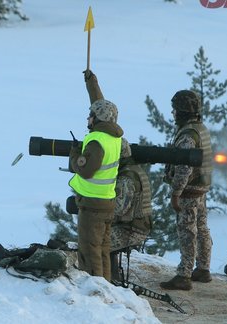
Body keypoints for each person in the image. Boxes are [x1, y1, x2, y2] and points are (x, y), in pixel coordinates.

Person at [68, 70, 124, 281]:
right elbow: (100, 103)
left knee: (89, 250)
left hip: (92, 204)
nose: (87, 118)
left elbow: (85, 169)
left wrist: (75, 153)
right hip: (106, 201)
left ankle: (94, 291)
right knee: (102, 250)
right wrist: (92, 83)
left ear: (97, 118)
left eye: (90, 115)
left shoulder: (96, 141)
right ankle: (105, 285)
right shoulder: (114, 137)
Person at [160, 90, 213, 291]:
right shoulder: (201, 129)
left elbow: (183, 167)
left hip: (189, 192)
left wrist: (176, 192)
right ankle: (203, 269)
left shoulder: (188, 134)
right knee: (202, 229)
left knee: (187, 232)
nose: (173, 113)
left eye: (175, 109)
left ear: (181, 110)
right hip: (201, 189)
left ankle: (184, 275)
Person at [110, 138, 153, 282]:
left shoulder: (126, 177)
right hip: (136, 225)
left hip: (131, 229)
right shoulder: (134, 169)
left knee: (95, 242)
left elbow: (119, 208)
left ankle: (107, 280)